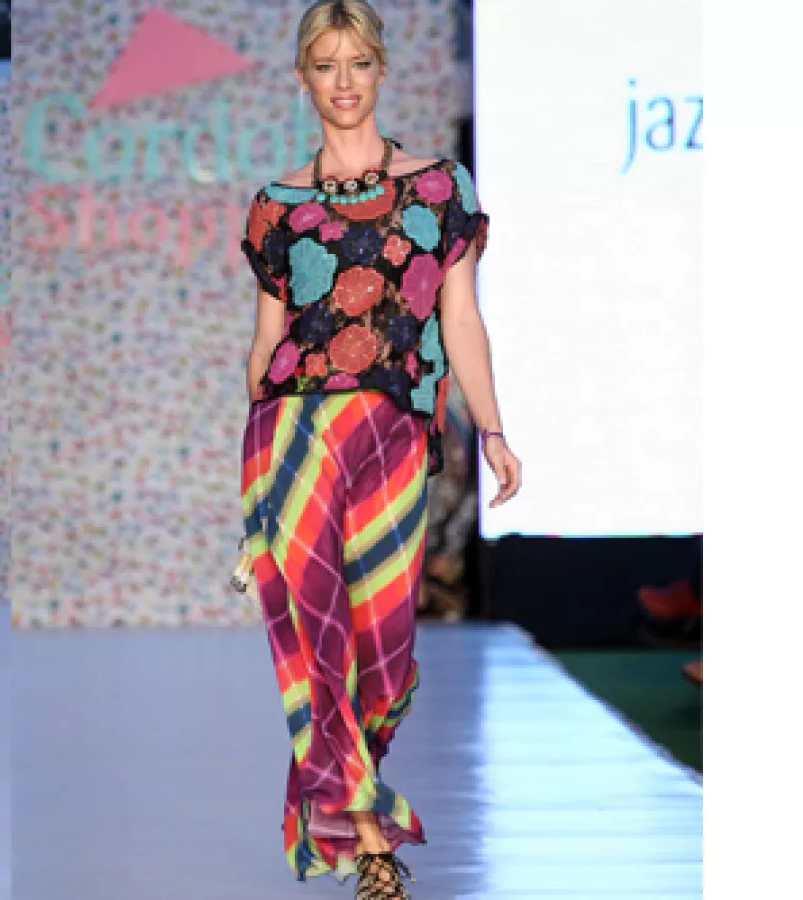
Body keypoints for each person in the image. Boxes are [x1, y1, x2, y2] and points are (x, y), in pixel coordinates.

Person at [236, 3, 522, 897]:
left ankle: (350, 811)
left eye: (358, 62)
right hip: (294, 434)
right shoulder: (277, 206)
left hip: (395, 433)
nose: (344, 82)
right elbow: (265, 345)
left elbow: (461, 318)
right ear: (302, 78)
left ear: (382, 70)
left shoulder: (440, 188)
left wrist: (494, 428)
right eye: (326, 65)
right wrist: (255, 507)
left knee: (385, 649)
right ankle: (372, 847)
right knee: (319, 639)